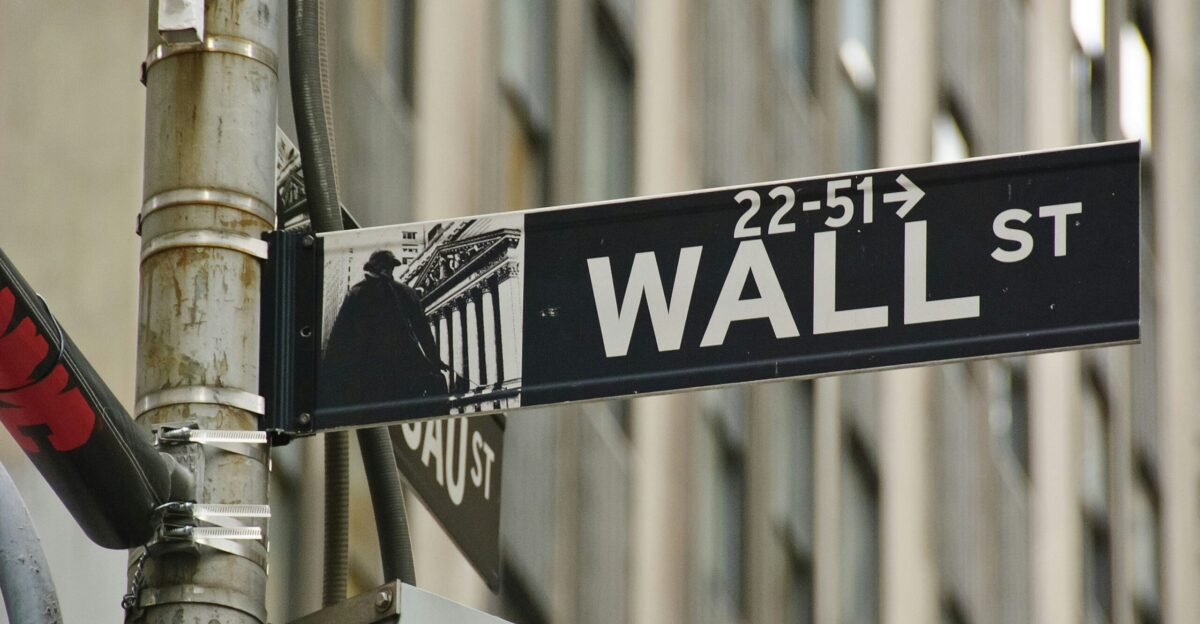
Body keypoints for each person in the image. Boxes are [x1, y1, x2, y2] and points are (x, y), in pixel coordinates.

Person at [319, 249, 449, 419]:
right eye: (385, 266)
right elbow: (340, 335)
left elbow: (422, 329)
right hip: (374, 367)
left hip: (397, 364)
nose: (388, 271)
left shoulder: (401, 292)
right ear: (373, 268)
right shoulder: (358, 293)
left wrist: (434, 359)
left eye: (390, 267)